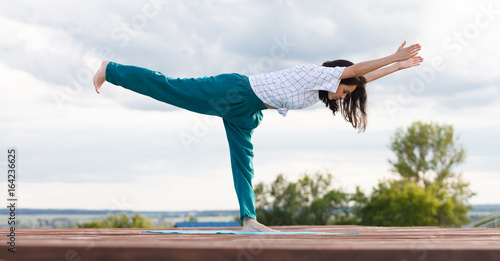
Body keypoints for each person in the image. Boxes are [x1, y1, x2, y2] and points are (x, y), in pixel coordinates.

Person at [93, 41, 422, 232]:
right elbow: (353, 72)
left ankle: (248, 219)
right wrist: (392, 56)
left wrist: (397, 69)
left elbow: (359, 79)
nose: (342, 97)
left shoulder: (318, 92)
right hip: (234, 91)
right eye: (343, 91)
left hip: (248, 111)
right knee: (173, 89)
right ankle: (111, 69)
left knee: (244, 163)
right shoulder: (318, 74)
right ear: (336, 77)